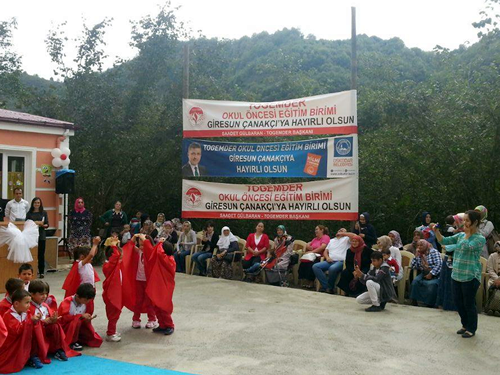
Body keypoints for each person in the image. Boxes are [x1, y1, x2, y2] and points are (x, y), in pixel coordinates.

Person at [433, 211, 485, 337]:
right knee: (458, 302)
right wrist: (436, 231)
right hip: (456, 274)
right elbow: (444, 241)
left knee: (468, 303)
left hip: (470, 276)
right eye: (464, 220)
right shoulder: (461, 235)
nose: (464, 223)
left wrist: (467, 234)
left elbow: (469, 247)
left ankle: (471, 328)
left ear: (475, 222)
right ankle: (464, 325)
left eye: (467, 221)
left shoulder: (480, 238)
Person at [29, 280, 78, 363]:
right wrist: (43, 322)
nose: (44, 296)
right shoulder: (28, 306)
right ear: (32, 294)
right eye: (41, 294)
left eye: (46, 294)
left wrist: (53, 320)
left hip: (45, 328)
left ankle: (57, 349)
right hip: (35, 332)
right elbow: (27, 322)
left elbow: (49, 318)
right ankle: (33, 355)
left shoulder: (45, 305)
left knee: (55, 326)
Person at [140, 235, 176, 335]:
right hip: (160, 285)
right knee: (157, 306)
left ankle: (169, 325)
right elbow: (158, 252)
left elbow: (159, 253)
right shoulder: (166, 259)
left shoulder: (169, 259)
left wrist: (160, 242)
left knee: (163, 307)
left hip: (164, 287)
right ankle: (162, 325)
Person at [0, 289, 41, 373]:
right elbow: (16, 332)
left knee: (37, 331)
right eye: (26, 303)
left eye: (29, 302)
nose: (29, 305)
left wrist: (35, 321)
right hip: (11, 345)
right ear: (16, 304)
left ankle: (31, 356)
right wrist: (30, 321)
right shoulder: (8, 315)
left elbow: (29, 326)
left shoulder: (26, 312)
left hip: (24, 343)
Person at [122, 234, 158, 329]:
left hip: (149, 280)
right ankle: (136, 319)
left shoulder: (151, 252)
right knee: (138, 300)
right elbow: (129, 247)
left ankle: (152, 319)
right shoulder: (138, 252)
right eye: (140, 244)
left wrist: (144, 239)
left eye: (144, 244)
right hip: (139, 279)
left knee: (149, 300)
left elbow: (150, 250)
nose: (141, 246)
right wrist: (134, 238)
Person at [58, 283, 103, 350]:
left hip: (79, 326)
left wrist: (87, 319)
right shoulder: (67, 302)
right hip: (66, 327)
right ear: (78, 296)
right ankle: (73, 342)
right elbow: (63, 319)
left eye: (89, 300)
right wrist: (80, 316)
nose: (87, 302)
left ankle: (79, 339)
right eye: (85, 300)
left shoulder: (87, 303)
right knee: (77, 321)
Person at [312, 228, 350, 293]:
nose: (340, 231)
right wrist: (327, 258)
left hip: (340, 261)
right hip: (329, 261)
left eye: (343, 230)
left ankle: (329, 287)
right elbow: (325, 251)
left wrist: (344, 234)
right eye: (339, 230)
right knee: (315, 266)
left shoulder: (347, 239)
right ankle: (327, 287)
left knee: (332, 268)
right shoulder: (332, 240)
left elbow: (355, 236)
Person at [409, 239, 442, 307]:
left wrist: (431, 274)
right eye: (418, 245)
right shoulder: (420, 254)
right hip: (424, 273)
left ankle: (430, 304)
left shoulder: (433, 252)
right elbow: (413, 266)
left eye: (421, 245)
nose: (419, 247)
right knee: (415, 282)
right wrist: (416, 256)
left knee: (431, 285)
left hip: (436, 274)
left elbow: (439, 264)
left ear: (426, 245)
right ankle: (414, 302)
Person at [102, 239, 123, 342]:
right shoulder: (109, 265)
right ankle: (110, 333)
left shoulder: (113, 265)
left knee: (116, 313)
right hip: (111, 294)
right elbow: (116, 256)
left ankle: (112, 331)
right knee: (113, 314)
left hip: (114, 293)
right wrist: (115, 246)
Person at [26, 197, 49, 277]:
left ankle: (41, 272)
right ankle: (31, 272)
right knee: (32, 254)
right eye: (35, 203)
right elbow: (26, 223)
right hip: (31, 236)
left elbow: (47, 224)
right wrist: (34, 223)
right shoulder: (29, 213)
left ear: (40, 204)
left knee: (41, 254)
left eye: (38, 203)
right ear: (33, 204)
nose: (37, 204)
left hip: (41, 235)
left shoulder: (44, 213)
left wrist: (43, 225)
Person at [485, 241, 500, 315]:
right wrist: (497, 278)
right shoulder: (492, 256)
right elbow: (489, 269)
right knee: (491, 286)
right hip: (494, 279)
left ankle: (498, 309)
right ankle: (490, 308)